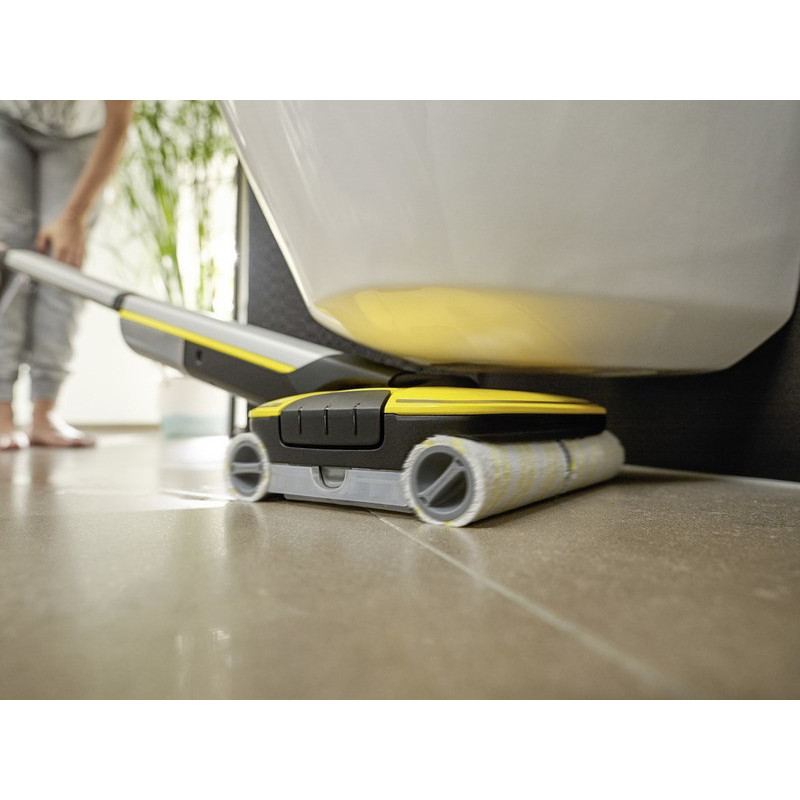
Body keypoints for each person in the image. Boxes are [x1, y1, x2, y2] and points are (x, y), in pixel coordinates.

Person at [0, 100, 133, 451]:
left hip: (79, 137)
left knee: (62, 264)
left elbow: (118, 124)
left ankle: (45, 412)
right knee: (5, 257)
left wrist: (74, 217)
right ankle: (0, 412)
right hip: (6, 121)